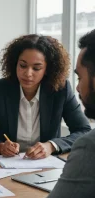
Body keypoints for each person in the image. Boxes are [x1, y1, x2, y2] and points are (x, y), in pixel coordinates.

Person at [0, 34, 91, 159]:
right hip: (6, 166)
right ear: (15, 64)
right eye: (23, 65)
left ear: (47, 69)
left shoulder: (60, 90)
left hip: (46, 167)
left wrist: (51, 146)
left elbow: (83, 130)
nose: (28, 73)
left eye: (36, 68)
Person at [48, 29, 95, 198]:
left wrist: (52, 145)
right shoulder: (0, 89)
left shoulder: (90, 147)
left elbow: (83, 129)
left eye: (80, 78)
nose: (77, 87)